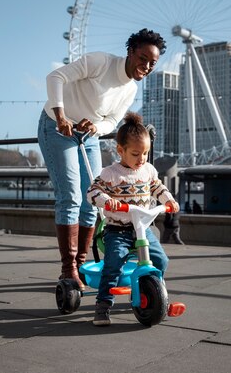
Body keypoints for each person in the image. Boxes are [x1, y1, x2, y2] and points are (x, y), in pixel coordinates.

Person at [38, 29, 167, 291]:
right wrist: (61, 116)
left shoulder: (130, 89)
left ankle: (82, 266)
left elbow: (111, 120)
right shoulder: (100, 62)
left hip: (87, 136)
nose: (146, 66)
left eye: (152, 63)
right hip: (56, 127)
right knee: (71, 197)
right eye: (143, 58)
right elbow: (56, 77)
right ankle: (68, 270)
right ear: (130, 52)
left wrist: (95, 126)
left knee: (92, 198)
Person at [86, 112, 180, 326]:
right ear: (121, 150)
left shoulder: (148, 170)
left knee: (161, 260)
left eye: (145, 153)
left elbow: (157, 186)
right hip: (117, 230)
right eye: (136, 154)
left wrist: (169, 200)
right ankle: (103, 306)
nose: (142, 159)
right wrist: (107, 201)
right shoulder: (111, 173)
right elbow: (92, 192)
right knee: (113, 265)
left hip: (142, 229)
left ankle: (153, 290)